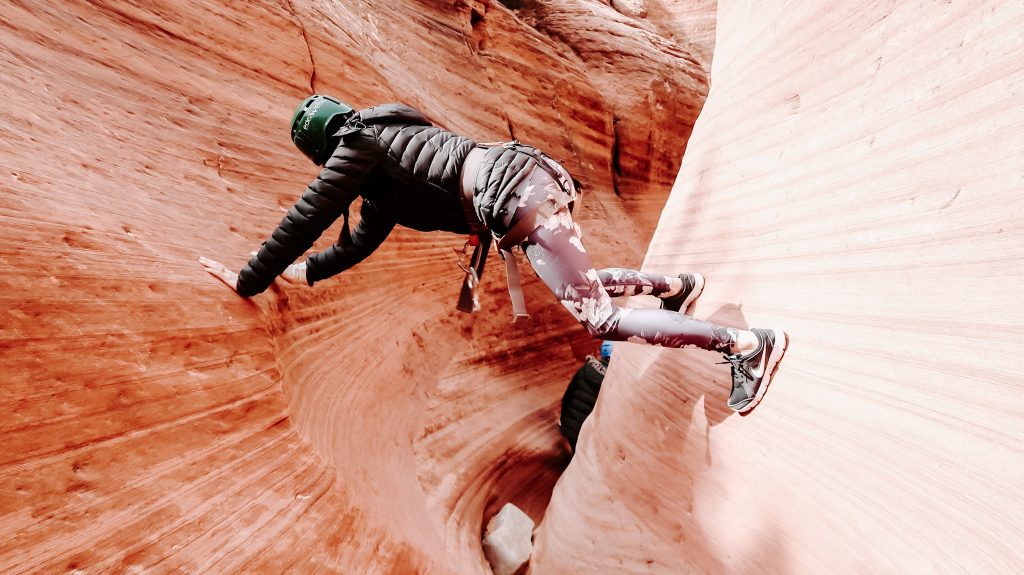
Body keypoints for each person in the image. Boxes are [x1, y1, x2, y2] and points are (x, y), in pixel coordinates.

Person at [200, 95, 787, 412]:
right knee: (575, 281)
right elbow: (357, 242)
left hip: (515, 201)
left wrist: (251, 280)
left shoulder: (356, 148)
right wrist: (302, 276)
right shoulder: (385, 137)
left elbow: (306, 217)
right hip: (529, 181)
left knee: (598, 318)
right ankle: (673, 286)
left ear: (320, 149)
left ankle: (746, 346)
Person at [560, 341, 614, 453]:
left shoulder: (585, 369)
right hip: (589, 433)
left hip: (571, 427)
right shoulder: (613, 381)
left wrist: (564, 420)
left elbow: (567, 396)